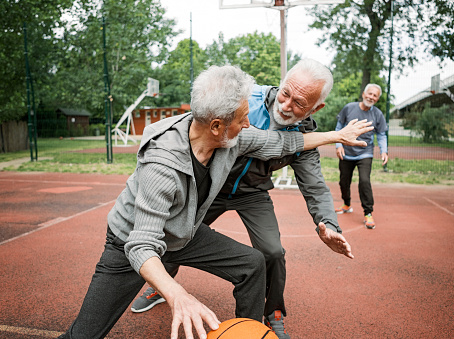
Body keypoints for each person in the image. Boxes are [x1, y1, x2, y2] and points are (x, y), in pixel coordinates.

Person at [58, 64, 373, 339]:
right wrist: (177, 294)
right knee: (84, 334)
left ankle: (250, 330)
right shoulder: (163, 165)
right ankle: (158, 286)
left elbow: (282, 142)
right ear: (218, 126)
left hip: (186, 228)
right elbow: (142, 245)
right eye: (243, 118)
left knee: (253, 263)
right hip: (130, 244)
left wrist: (336, 136)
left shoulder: (230, 138)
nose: (249, 124)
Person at [335, 83, 389, 229]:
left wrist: (384, 151)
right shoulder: (349, 108)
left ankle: (368, 213)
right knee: (343, 181)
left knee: (364, 181)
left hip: (365, 152)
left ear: (377, 99)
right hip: (347, 151)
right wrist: (338, 145)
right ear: (364, 94)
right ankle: (346, 204)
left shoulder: (377, 114)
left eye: (375, 95)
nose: (371, 97)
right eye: (370, 94)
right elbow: (339, 127)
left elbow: (382, 134)